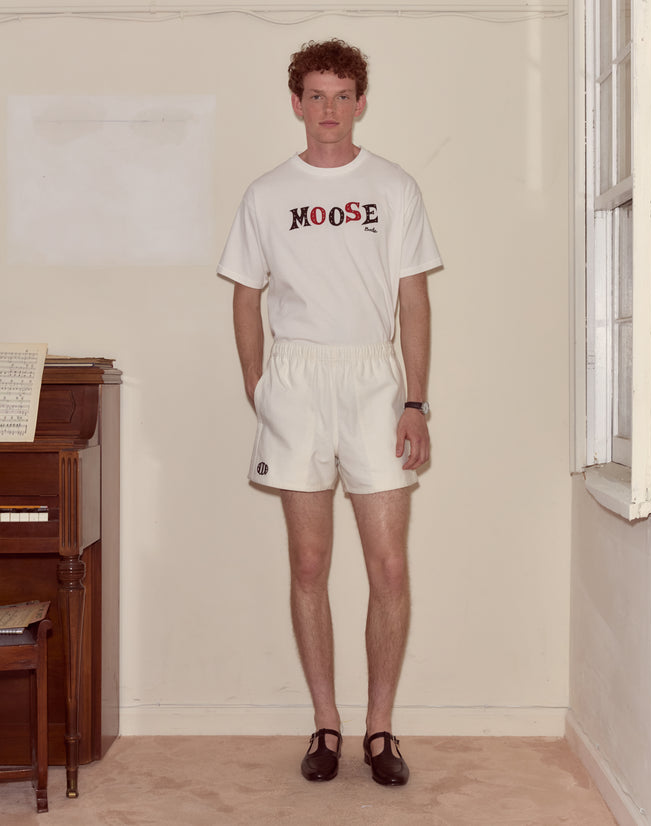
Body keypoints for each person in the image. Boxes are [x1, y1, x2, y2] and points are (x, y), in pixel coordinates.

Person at [217, 38, 442, 786]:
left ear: (361, 103)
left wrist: (414, 400)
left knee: (389, 565)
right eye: (316, 96)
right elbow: (246, 295)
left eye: (343, 96)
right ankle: (325, 724)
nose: (329, 111)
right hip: (298, 379)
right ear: (296, 103)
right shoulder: (266, 194)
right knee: (309, 562)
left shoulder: (394, 186)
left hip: (373, 378)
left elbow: (414, 298)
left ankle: (379, 730)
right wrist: (259, 386)